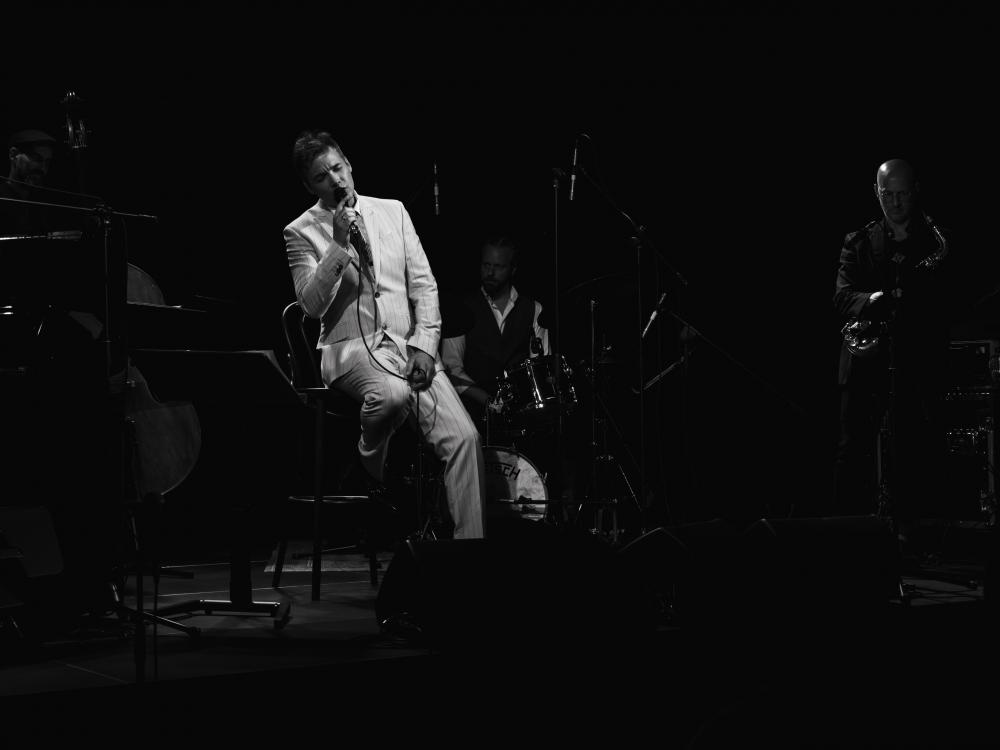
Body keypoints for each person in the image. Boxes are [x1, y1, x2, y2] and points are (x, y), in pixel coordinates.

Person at [284, 131, 485, 539]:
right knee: (392, 394)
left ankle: (470, 550)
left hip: (408, 346)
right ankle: (369, 463)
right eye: (322, 177)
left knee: (465, 439)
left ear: (349, 164)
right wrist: (337, 243)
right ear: (309, 186)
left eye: (337, 168)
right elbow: (311, 306)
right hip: (350, 350)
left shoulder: (393, 211)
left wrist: (425, 347)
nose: (335, 180)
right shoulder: (300, 231)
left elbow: (424, 285)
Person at [833, 158, 952, 544]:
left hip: (911, 358)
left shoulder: (932, 242)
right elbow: (841, 297)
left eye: (902, 194)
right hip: (865, 358)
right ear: (876, 192)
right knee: (853, 449)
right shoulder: (858, 241)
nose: (896, 203)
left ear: (915, 191)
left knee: (911, 447)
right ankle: (848, 534)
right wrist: (873, 300)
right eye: (888, 194)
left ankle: (907, 534)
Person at [440, 236, 550, 428]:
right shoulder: (462, 309)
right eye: (486, 265)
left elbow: (540, 364)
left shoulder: (534, 309)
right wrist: (488, 401)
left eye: (498, 267)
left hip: (521, 417)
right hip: (472, 416)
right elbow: (452, 369)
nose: (490, 272)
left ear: (513, 269)